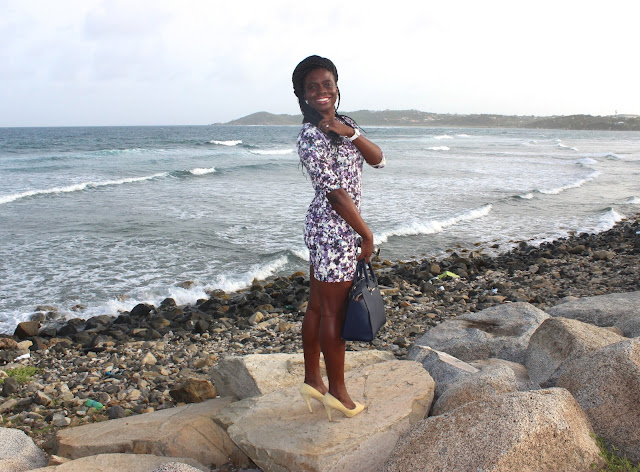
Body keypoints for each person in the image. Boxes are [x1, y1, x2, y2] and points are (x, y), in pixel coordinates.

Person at [292, 55, 385, 421]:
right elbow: (334, 193)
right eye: (312, 87)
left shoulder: (347, 124)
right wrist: (366, 233)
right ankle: (339, 394)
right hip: (333, 231)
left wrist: (352, 133)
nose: (321, 92)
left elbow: (378, 160)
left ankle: (313, 381)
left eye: (326, 84)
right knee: (333, 310)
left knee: (318, 306)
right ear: (301, 94)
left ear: (336, 87)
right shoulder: (309, 137)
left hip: (339, 228)